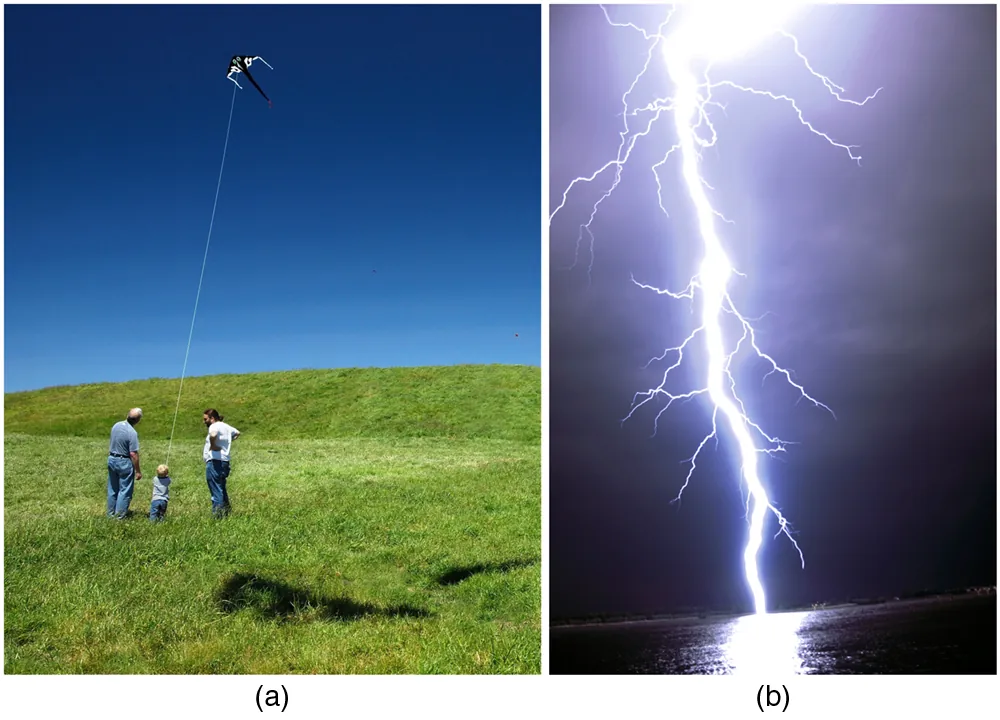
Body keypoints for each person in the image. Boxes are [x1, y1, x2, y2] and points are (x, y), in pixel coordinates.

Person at [203, 408, 240, 518]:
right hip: (225, 462)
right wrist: (227, 442)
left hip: (215, 462)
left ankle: (218, 516)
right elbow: (237, 433)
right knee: (221, 488)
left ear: (212, 418)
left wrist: (213, 445)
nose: (204, 422)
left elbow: (213, 434)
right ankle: (227, 512)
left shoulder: (214, 426)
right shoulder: (226, 426)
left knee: (216, 490)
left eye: (205, 419)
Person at [107, 408, 142, 518]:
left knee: (112, 489)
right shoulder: (132, 433)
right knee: (125, 490)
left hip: (111, 459)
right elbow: (133, 454)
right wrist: (138, 471)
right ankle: (119, 517)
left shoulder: (116, 425)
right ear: (138, 420)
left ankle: (110, 514)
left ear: (127, 415)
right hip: (124, 462)